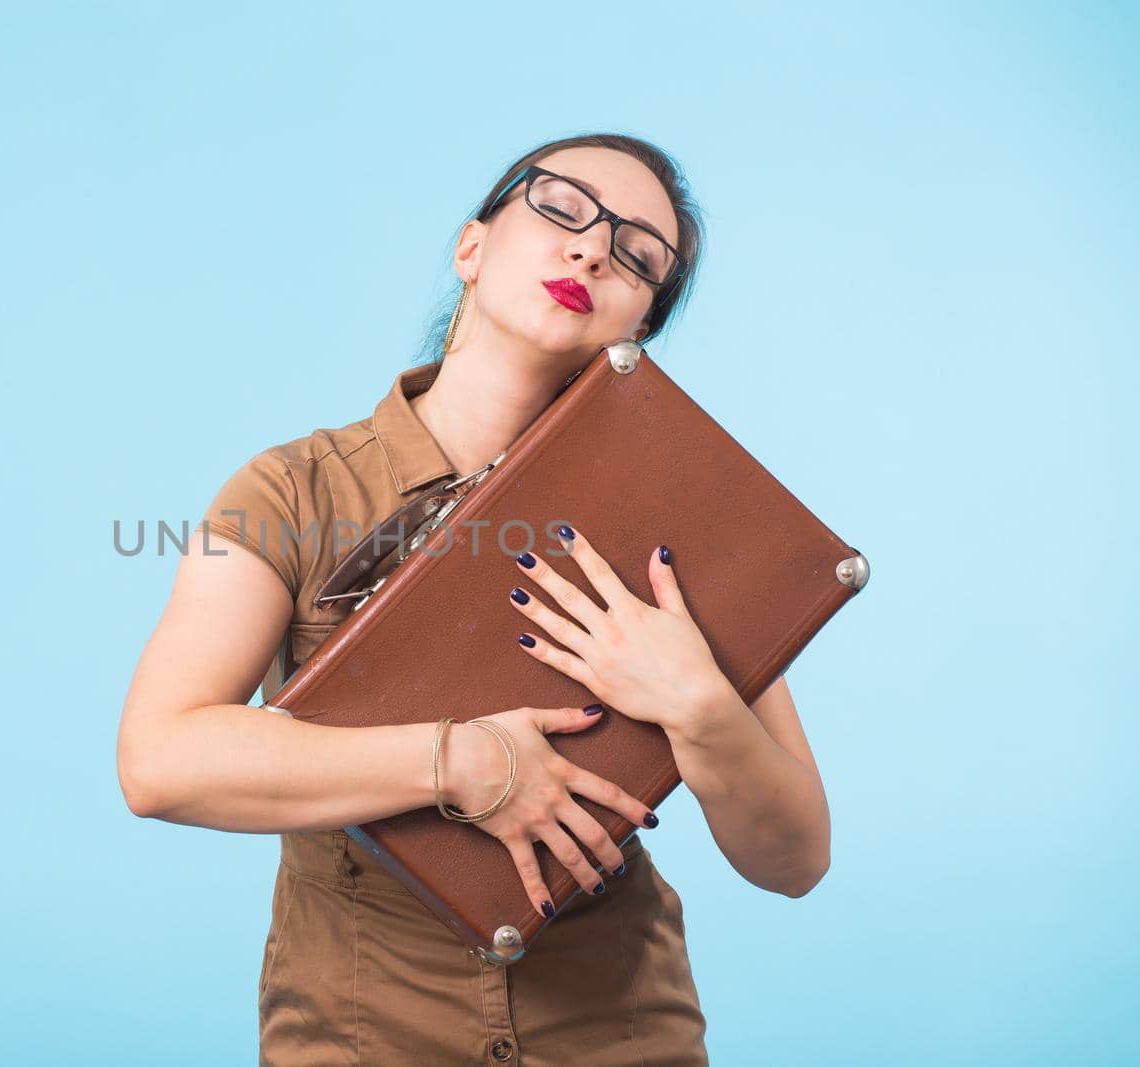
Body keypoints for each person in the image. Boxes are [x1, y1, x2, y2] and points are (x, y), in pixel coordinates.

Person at [116, 133, 832, 1066]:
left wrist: (697, 703)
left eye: (638, 256)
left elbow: (793, 858)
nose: (591, 251)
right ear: (471, 247)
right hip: (362, 1032)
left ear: (638, 331)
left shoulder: (679, 521)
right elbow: (161, 760)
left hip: (619, 1033)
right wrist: (464, 763)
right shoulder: (289, 491)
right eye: (562, 209)